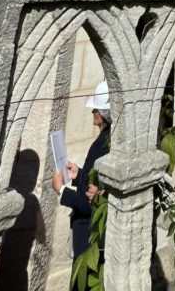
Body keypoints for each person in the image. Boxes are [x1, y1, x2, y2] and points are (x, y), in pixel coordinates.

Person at [51, 80, 111, 265]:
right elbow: (96, 181)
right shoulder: (105, 139)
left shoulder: (103, 145)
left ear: (102, 114)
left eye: (95, 109)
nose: (92, 112)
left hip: (88, 235)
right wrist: (79, 175)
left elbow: (90, 202)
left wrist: (61, 190)